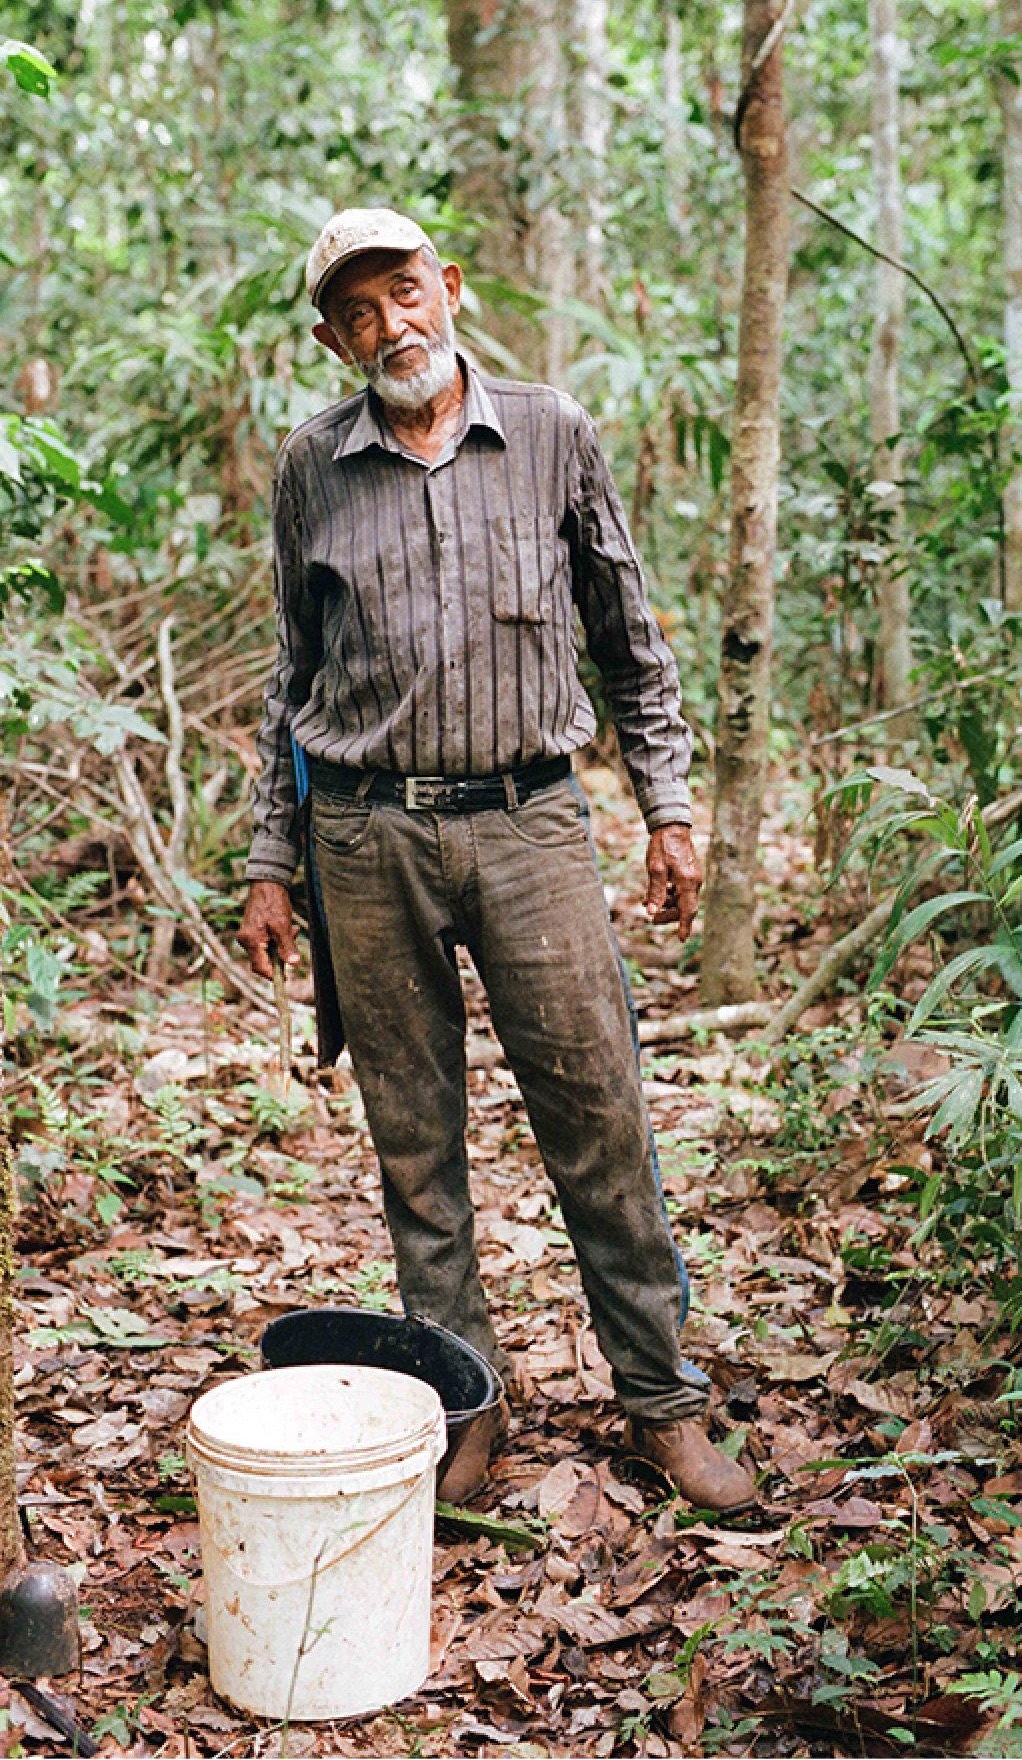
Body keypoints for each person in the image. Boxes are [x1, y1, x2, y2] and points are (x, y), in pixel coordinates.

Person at [237, 208, 756, 1514]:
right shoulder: (312, 466)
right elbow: (291, 679)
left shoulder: (552, 436)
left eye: (404, 292)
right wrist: (269, 859)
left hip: (530, 824)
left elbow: (630, 641)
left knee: (599, 1117)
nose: (389, 325)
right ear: (330, 336)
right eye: (356, 312)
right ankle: (464, 1402)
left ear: (448, 288)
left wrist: (668, 808)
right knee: (415, 1145)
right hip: (367, 837)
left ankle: (661, 1401)